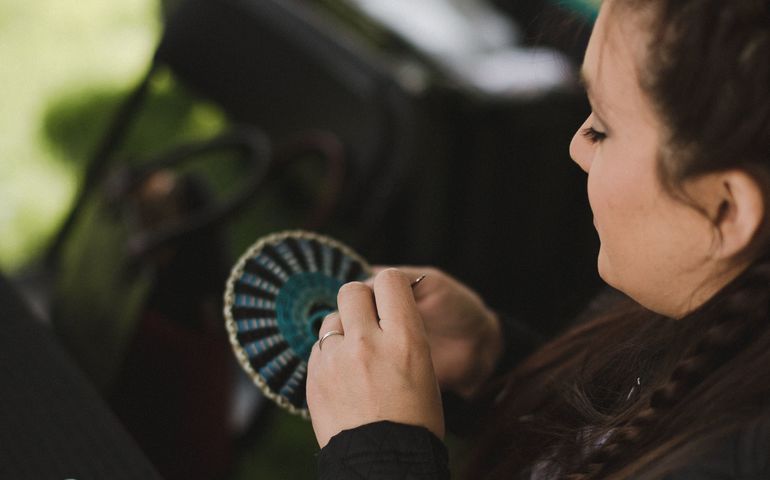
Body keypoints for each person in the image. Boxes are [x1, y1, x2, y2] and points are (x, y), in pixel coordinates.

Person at [306, 0, 770, 478]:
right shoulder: (712, 323)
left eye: (604, 127)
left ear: (726, 208)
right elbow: (610, 436)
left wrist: (381, 457)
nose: (577, 146)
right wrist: (494, 365)